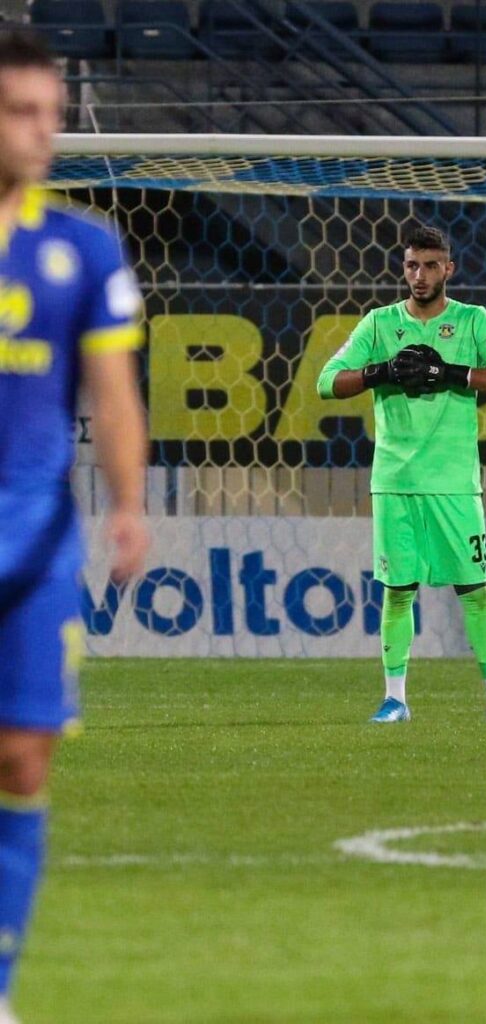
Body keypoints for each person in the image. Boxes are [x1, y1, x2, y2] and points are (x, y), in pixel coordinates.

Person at [0, 30, 149, 1024]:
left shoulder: (86, 247)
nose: (43, 132)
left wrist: (129, 504)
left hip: (37, 540)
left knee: (23, 756)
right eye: (22, 112)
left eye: (51, 113)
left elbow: (113, 390)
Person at [317, 225, 486, 723]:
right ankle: (395, 700)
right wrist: (381, 372)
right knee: (397, 593)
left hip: (454, 484)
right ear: (404, 267)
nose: (420, 275)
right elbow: (327, 382)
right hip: (396, 482)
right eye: (413, 265)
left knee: (475, 592)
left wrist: (450, 373)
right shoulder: (379, 323)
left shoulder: (473, 321)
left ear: (448, 269)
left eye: (431, 265)